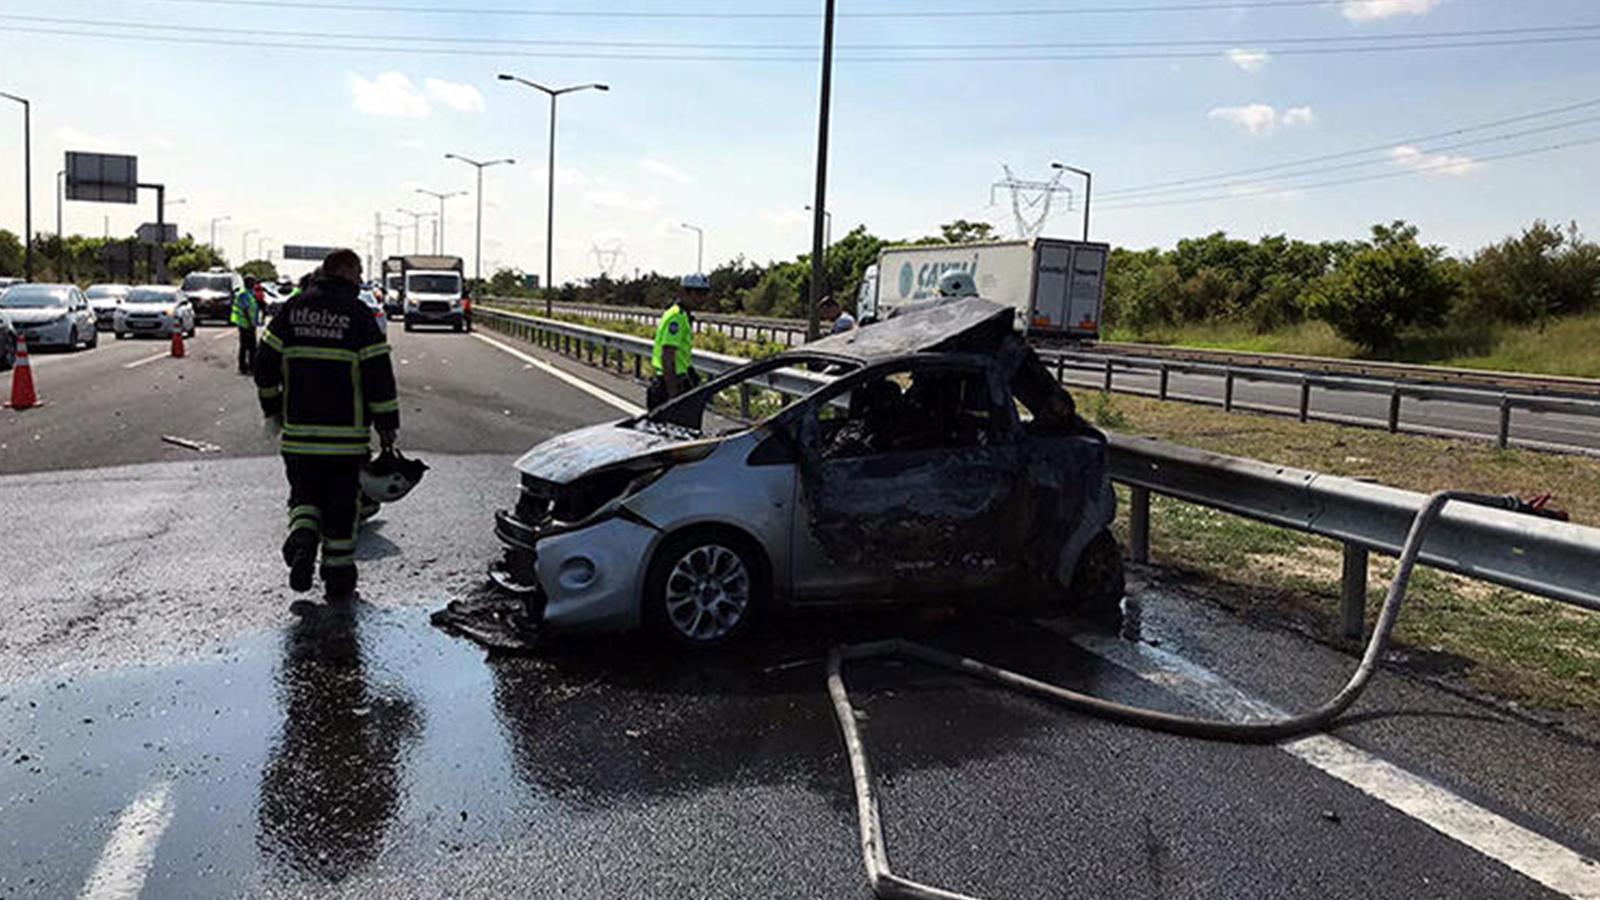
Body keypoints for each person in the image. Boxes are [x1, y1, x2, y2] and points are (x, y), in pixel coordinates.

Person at [254, 249, 399, 600]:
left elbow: (264, 364)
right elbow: (379, 376)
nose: (361, 277)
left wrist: (273, 407)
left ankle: (303, 537)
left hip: (300, 436)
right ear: (346, 272)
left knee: (304, 496)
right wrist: (387, 426)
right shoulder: (359, 316)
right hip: (345, 441)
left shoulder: (293, 308)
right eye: (359, 271)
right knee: (341, 507)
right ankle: (338, 578)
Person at [647, 274, 709, 409]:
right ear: (684, 292)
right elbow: (668, 356)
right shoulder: (677, 317)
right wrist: (674, 395)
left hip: (676, 380)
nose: (702, 298)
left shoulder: (682, 315)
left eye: (705, 293)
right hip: (670, 383)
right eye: (698, 293)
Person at [233, 276, 264, 375]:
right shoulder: (244, 294)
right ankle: (247, 367)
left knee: (248, 346)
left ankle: (248, 366)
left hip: (249, 323)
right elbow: (246, 310)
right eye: (253, 282)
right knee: (249, 347)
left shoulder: (250, 293)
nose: (254, 284)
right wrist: (251, 322)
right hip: (245, 324)